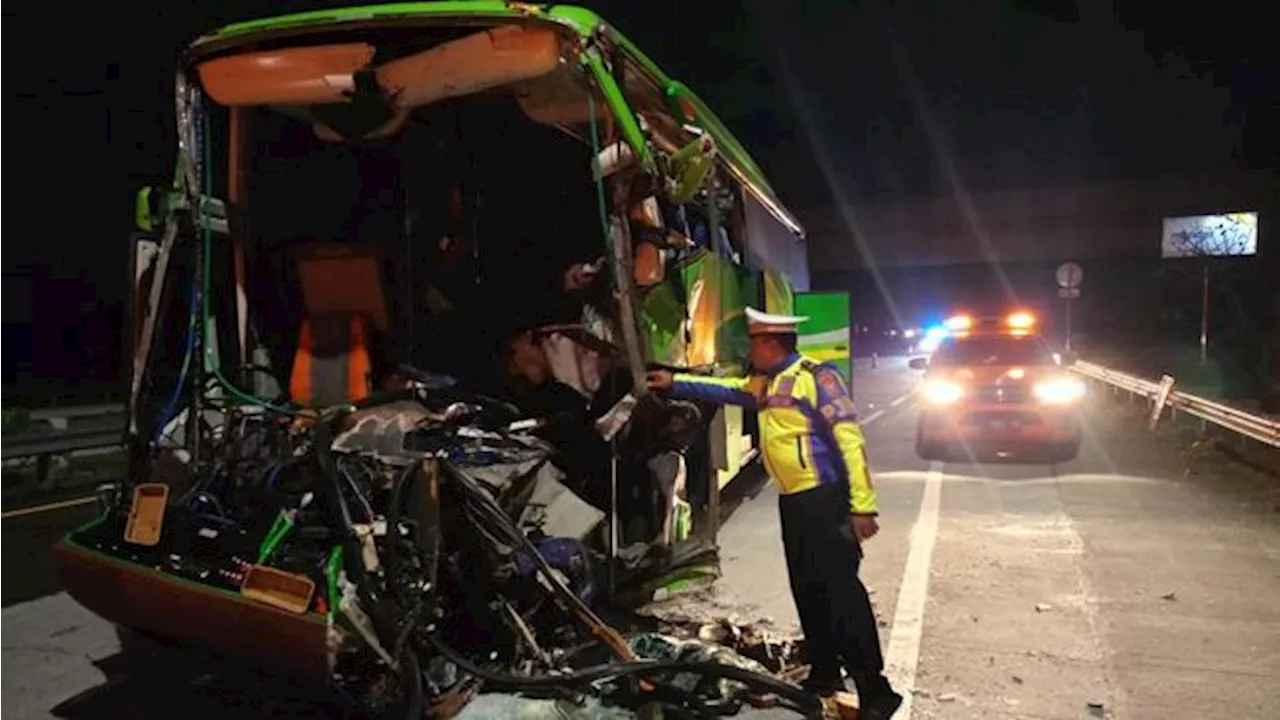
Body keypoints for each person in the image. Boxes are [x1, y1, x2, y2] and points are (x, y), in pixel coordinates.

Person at [646, 307, 903, 719]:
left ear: (769, 344)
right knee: (807, 588)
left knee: (841, 595)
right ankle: (823, 674)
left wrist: (862, 506)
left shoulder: (818, 378)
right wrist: (675, 382)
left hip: (825, 499)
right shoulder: (767, 381)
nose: (750, 351)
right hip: (795, 502)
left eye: (754, 344)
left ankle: (876, 691)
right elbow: (728, 390)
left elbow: (850, 442)